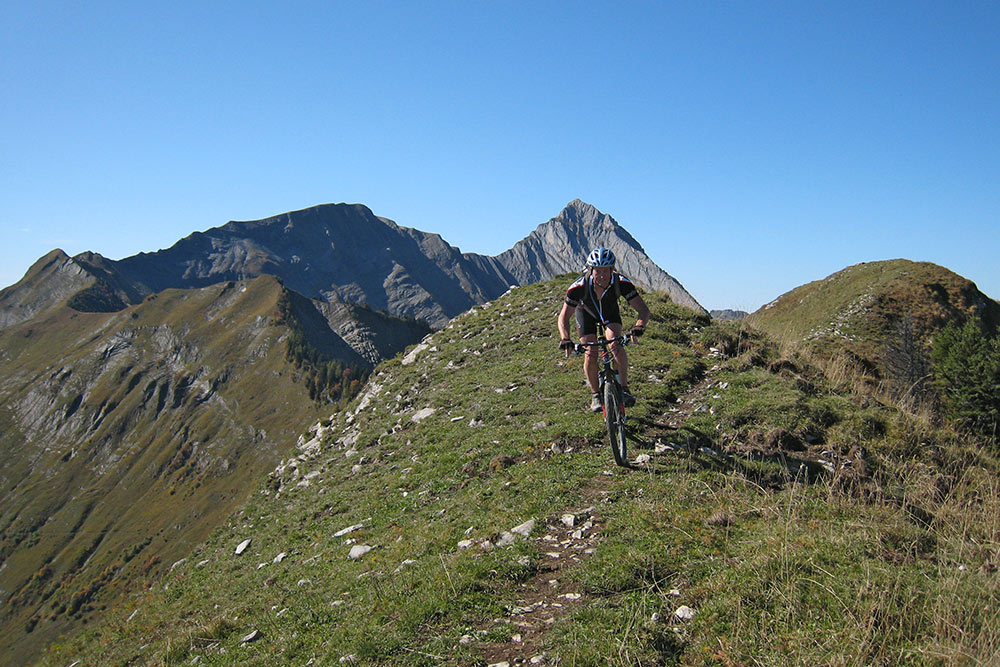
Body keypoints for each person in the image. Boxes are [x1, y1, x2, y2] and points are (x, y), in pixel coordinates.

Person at [557, 247, 651, 412]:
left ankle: (623, 388)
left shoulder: (622, 283)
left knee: (616, 345)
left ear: (612, 269)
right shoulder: (577, 287)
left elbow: (643, 310)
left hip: (609, 313)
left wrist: (638, 327)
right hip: (585, 314)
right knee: (590, 352)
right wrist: (565, 338)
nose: (602, 275)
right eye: (597, 271)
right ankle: (595, 395)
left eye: (606, 271)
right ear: (591, 270)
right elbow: (564, 317)